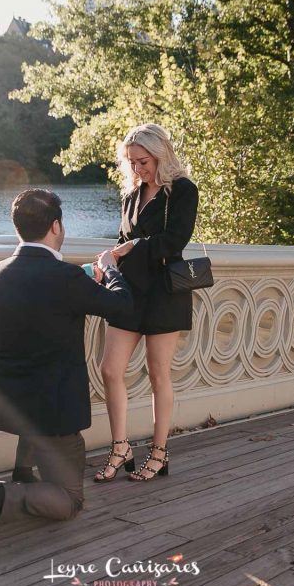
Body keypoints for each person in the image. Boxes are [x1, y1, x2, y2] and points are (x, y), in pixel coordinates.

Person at [0, 189, 132, 544]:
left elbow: (42, 302)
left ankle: (24, 473)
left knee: (32, 410)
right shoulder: (66, 279)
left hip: (9, 399)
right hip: (53, 409)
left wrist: (82, 282)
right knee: (69, 501)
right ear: (56, 226)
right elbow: (122, 307)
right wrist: (110, 272)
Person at [94, 123, 198, 483]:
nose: (138, 169)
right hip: (128, 292)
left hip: (164, 293)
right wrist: (109, 260)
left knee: (158, 375)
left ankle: (159, 452)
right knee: (110, 369)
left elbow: (175, 240)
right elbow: (125, 239)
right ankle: (120, 446)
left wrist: (134, 246)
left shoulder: (182, 190)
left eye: (143, 161)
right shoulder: (131, 195)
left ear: (161, 154)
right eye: (132, 163)